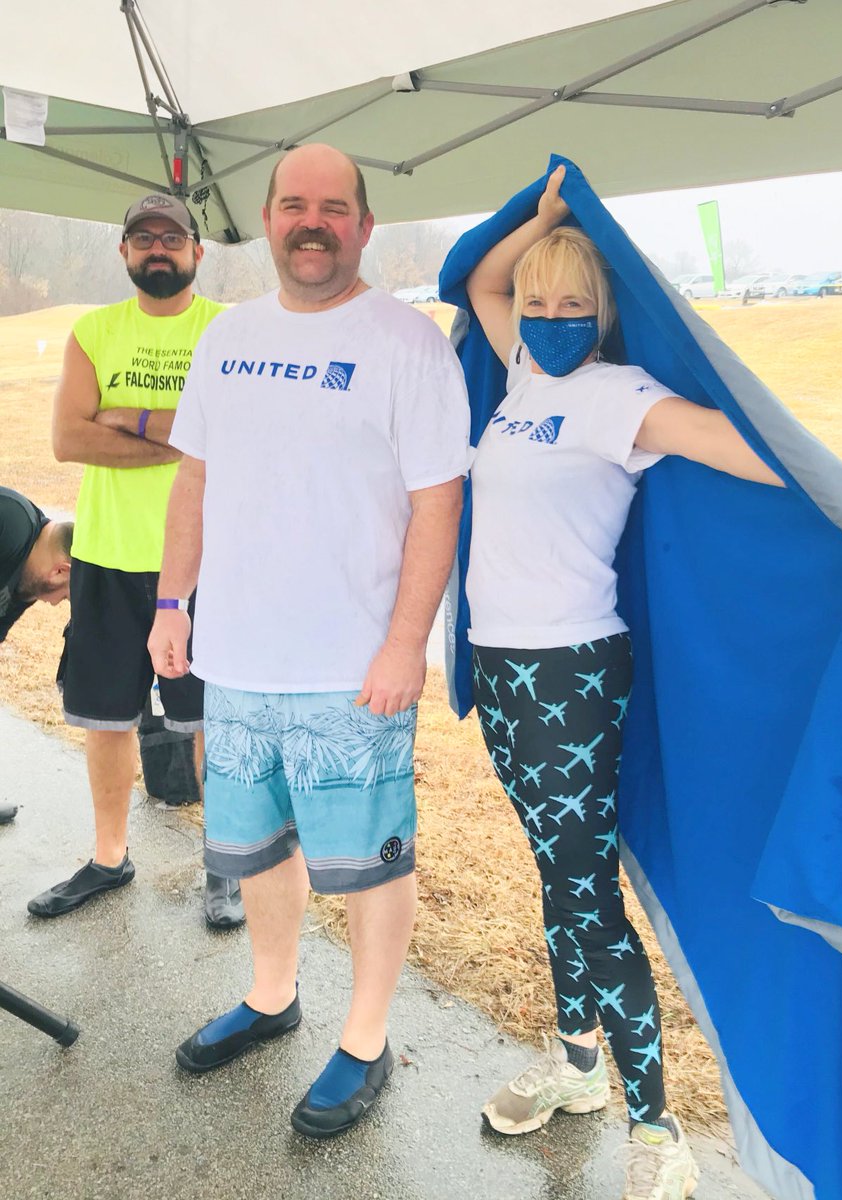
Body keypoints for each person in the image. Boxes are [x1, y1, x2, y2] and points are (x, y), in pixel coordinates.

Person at [462, 165, 783, 1199]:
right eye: (541, 303)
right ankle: (575, 1064)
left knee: (584, 897)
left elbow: (750, 451)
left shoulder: (616, 397)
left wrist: (834, 491)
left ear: (602, 317)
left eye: (573, 305)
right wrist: (547, 223)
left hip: (570, 674)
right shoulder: (518, 379)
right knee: (555, 878)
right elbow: (476, 284)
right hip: (499, 666)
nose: (547, 318)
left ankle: (658, 1131)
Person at [147, 143, 469, 1137]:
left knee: (370, 858)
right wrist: (171, 605)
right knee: (260, 846)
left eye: (334, 206)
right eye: (294, 204)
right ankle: (272, 995)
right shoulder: (225, 336)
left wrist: (402, 641)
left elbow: (437, 500)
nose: (312, 221)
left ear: (363, 226)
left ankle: (364, 1040)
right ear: (268, 219)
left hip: (349, 666)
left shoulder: (406, 345)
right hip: (238, 656)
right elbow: (193, 477)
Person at [30, 194, 243, 928]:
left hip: (204, 561)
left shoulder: (226, 331)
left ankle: (228, 864)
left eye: (172, 238)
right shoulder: (95, 331)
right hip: (108, 555)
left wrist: (134, 418)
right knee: (106, 717)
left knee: (214, 717)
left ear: (196, 252)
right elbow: (68, 440)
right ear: (123, 252)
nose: (159, 249)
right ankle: (109, 857)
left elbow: (239, 436)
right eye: (143, 238)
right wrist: (186, 433)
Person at [0, 485, 74, 824]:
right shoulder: (10, 523)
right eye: (67, 595)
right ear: (61, 570)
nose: (57, 603)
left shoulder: (28, 582)